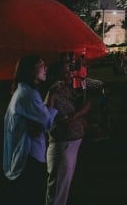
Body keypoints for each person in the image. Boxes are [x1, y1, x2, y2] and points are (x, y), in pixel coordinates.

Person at [3, 55, 58, 205]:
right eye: (41, 65)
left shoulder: (24, 91)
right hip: (29, 155)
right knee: (32, 195)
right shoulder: (28, 94)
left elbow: (39, 120)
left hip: (28, 152)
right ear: (31, 71)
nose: (45, 68)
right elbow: (46, 122)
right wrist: (52, 94)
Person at [44, 59, 90, 205]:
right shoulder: (51, 94)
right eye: (65, 72)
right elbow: (47, 117)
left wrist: (75, 116)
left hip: (72, 144)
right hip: (62, 146)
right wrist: (75, 116)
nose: (70, 74)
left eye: (70, 70)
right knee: (58, 191)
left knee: (64, 189)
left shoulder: (69, 90)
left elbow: (86, 105)